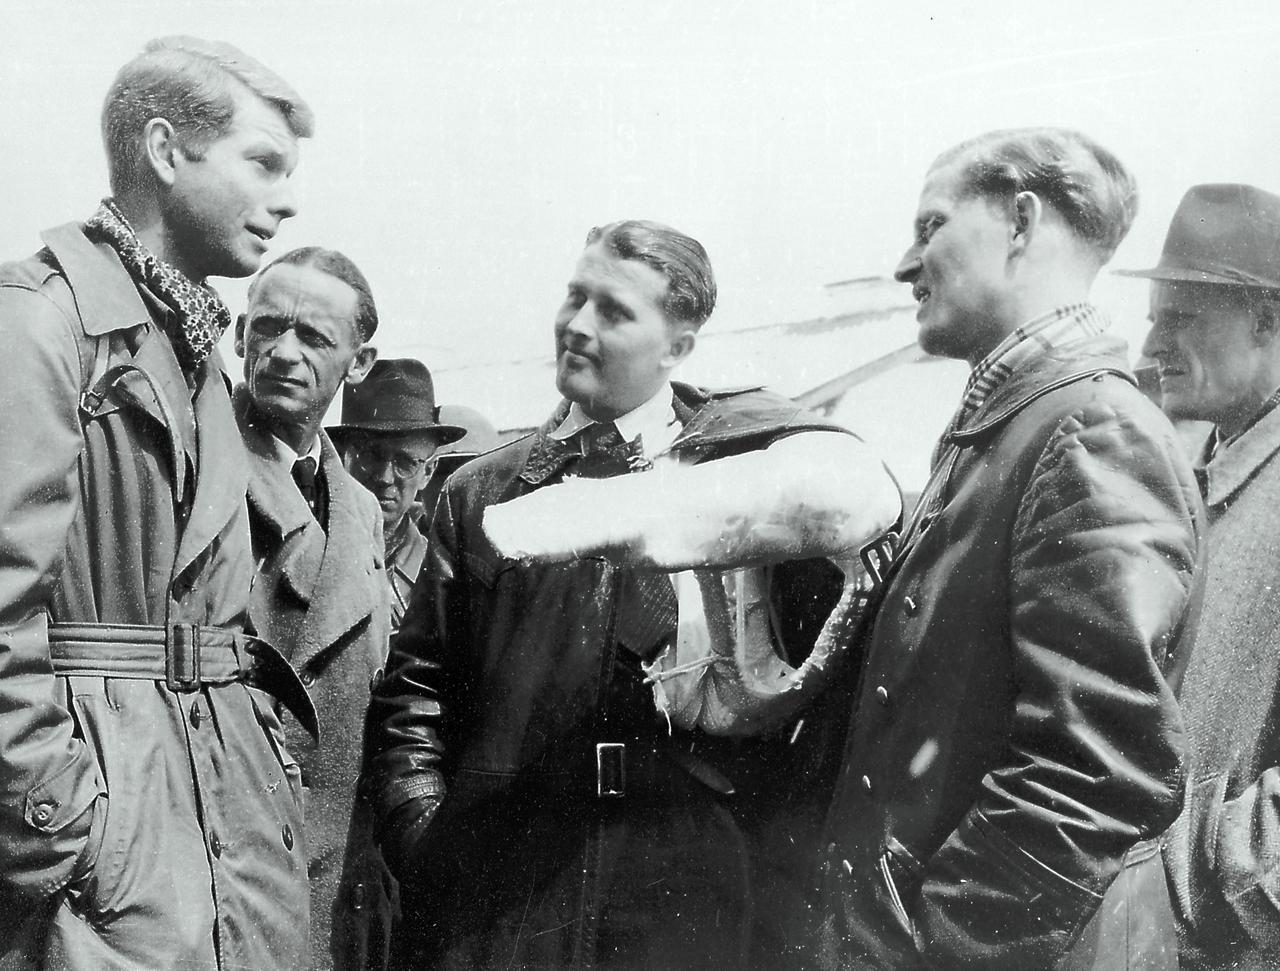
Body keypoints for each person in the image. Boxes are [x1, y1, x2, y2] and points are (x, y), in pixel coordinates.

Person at [366, 219, 901, 969]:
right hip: (512, 886)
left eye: (613, 310)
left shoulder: (748, 474)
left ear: (678, 345)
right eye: (574, 296)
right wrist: (425, 837)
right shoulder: (481, 492)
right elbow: (413, 698)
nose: (577, 325)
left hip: (690, 887)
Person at [816, 128, 1205, 970]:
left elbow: (1096, 766)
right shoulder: (1010, 425)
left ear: (1022, 222)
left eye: (931, 227)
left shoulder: (1090, 428)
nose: (903, 264)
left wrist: (936, 947)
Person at [0, 36, 315, 969]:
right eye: (261, 162)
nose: (286, 197)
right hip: (112, 826)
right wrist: (63, 829)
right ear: (169, 151)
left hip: (214, 804)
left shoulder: (191, 347)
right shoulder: (40, 324)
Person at [1126, 183, 1280, 971]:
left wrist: (1190, 877)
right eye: (1152, 317)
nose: (1152, 345)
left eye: (1180, 318)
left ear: (1267, 319)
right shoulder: (1198, 474)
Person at [234, 246, 397, 970]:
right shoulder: (193, 465)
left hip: (334, 888)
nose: (282, 353)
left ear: (358, 363)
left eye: (315, 339)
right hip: (228, 868)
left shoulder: (361, 510)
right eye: (267, 327)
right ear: (240, 333)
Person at [328, 358, 465, 631]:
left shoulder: (440, 574)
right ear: (343, 457)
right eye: (371, 455)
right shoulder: (306, 549)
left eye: (404, 462)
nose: (385, 478)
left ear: (428, 472)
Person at [414, 402, 501, 532]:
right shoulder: (403, 547)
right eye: (443, 472)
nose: (454, 489)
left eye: (472, 474)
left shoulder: (508, 545)